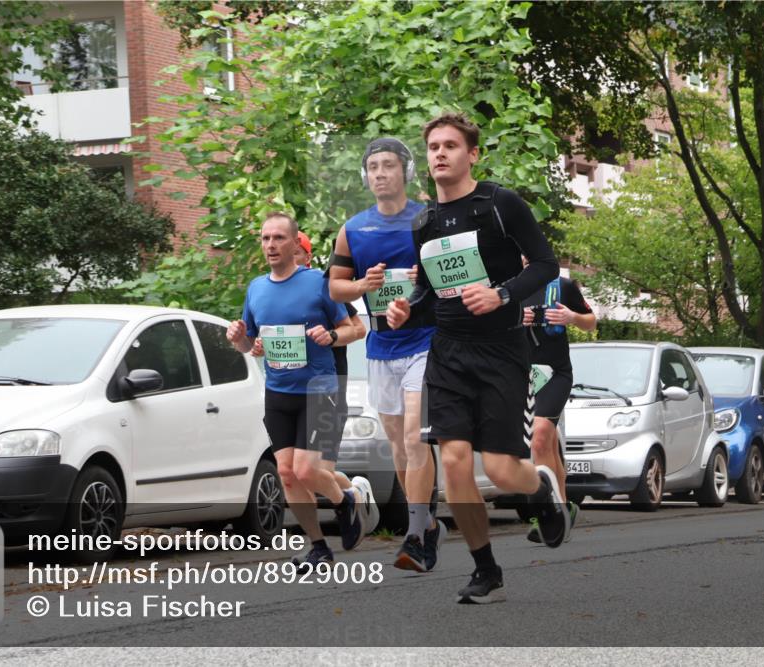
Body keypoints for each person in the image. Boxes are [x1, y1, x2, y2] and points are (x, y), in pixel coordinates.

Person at [386, 113, 570, 604]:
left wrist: (503, 295)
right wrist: (408, 309)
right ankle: (485, 569)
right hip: (447, 353)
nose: (439, 154)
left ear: (472, 154)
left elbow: (547, 265)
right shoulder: (423, 222)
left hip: (503, 351)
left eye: (450, 145)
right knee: (453, 461)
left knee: (505, 471)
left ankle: (541, 488)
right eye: (432, 147)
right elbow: (431, 293)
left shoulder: (499, 204)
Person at [328, 137, 445, 572]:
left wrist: (426, 274)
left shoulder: (429, 217)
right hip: (381, 348)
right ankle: (429, 523)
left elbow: (456, 268)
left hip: (426, 341)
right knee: (398, 445)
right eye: (373, 167)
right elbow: (334, 286)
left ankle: (415, 534)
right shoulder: (354, 228)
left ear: (406, 172)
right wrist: (363, 286)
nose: (380, 173)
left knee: (415, 436)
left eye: (388, 166)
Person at [227, 212, 364, 571]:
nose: (270, 245)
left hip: (320, 389)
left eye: (278, 238)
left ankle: (345, 500)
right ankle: (318, 545)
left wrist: (332, 336)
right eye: (265, 238)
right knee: (286, 473)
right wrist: (241, 339)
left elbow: (354, 329)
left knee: (306, 471)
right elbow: (250, 344)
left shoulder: (318, 282)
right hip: (278, 392)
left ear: (293, 243)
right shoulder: (257, 288)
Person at [521, 260, 597, 543]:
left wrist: (571, 318)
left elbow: (591, 322)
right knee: (547, 442)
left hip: (556, 374)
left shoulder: (562, 287)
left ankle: (547, 513)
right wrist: (516, 319)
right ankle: (563, 509)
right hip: (522, 375)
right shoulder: (508, 290)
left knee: (540, 437)